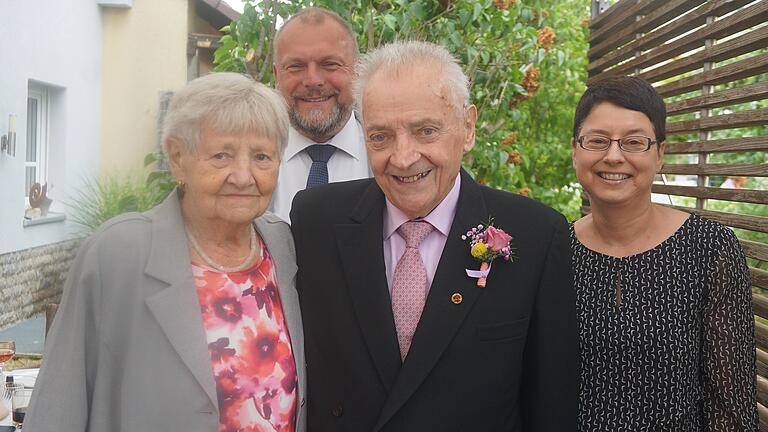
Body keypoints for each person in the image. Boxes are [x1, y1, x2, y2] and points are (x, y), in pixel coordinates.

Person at [290, 41, 578, 431]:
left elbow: (551, 405)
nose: (403, 157)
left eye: (425, 131)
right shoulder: (316, 221)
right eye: (380, 137)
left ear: (468, 127)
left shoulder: (538, 235)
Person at [25, 73, 306, 432]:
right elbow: (59, 402)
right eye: (222, 155)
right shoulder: (119, 252)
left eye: (262, 157)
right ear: (177, 158)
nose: (243, 175)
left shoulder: (281, 245)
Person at [570, 76, 757, 431]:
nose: (613, 156)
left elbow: (731, 406)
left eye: (634, 142)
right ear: (575, 150)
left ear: (660, 154)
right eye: (597, 141)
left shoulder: (709, 249)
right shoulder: (555, 251)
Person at [270, 7, 371, 223]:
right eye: (296, 66)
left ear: (358, 70)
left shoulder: (389, 155)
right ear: (277, 75)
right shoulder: (249, 157)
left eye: (329, 64)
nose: (313, 80)